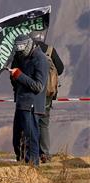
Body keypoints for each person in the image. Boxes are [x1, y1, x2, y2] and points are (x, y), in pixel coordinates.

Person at [9, 34, 48, 166]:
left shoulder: (40, 59)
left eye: (21, 48)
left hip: (32, 105)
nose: (19, 51)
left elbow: (38, 86)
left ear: (28, 44)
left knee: (31, 138)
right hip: (21, 102)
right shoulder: (20, 57)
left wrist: (19, 75)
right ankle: (21, 165)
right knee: (17, 140)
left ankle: (33, 167)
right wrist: (14, 75)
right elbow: (17, 80)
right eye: (17, 49)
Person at [30, 30, 64, 163]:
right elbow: (60, 69)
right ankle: (44, 153)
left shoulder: (29, 52)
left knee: (31, 121)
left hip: (32, 91)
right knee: (43, 123)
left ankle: (31, 152)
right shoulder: (50, 50)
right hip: (48, 93)